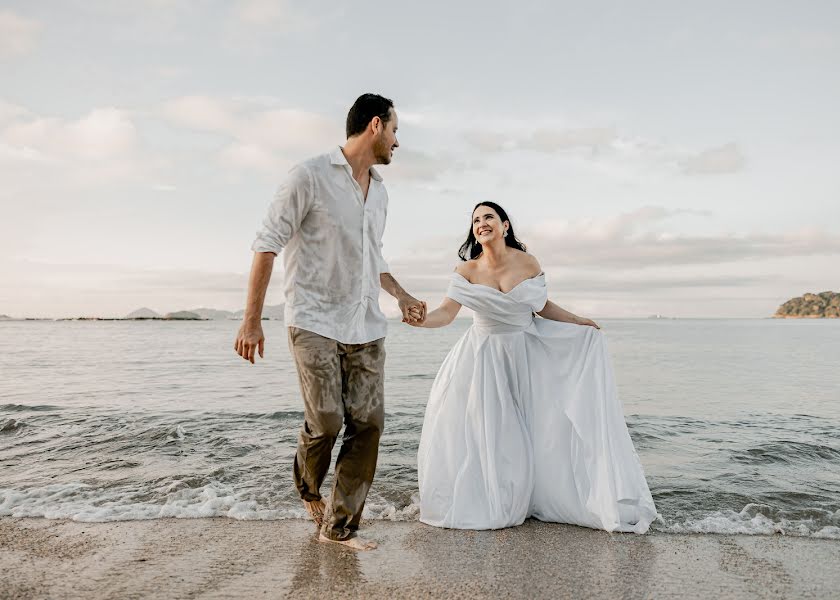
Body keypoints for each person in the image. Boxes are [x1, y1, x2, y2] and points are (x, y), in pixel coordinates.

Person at [234, 93, 425, 551]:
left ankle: (339, 527)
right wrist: (251, 321)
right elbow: (266, 245)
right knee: (325, 420)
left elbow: (372, 259)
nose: (398, 142)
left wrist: (401, 296)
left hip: (366, 323)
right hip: (313, 317)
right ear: (376, 125)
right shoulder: (309, 175)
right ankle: (306, 486)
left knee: (369, 423)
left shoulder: (379, 192)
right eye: (396, 131)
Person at [410, 201, 657, 532]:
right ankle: (498, 499)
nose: (482, 223)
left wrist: (578, 321)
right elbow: (445, 314)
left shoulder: (527, 262)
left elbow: (541, 306)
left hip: (526, 354)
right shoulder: (466, 271)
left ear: (505, 226)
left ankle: (532, 499)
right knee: (495, 433)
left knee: (536, 430)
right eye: (476, 220)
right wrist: (422, 320)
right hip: (483, 359)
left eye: (489, 217)